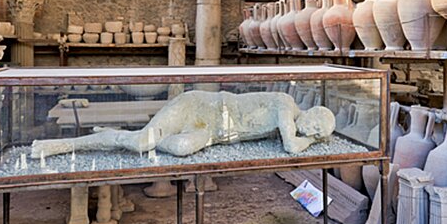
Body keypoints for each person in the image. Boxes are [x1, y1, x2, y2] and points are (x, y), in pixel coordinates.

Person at [31, 90, 336, 160]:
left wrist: (314, 138)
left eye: (317, 135)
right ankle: (59, 146)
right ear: (313, 113)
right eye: (316, 128)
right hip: (199, 106)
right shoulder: (286, 105)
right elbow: (291, 147)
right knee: (142, 144)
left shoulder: (287, 119)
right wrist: (312, 142)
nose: (312, 133)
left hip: (211, 132)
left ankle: (128, 136)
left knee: (180, 149)